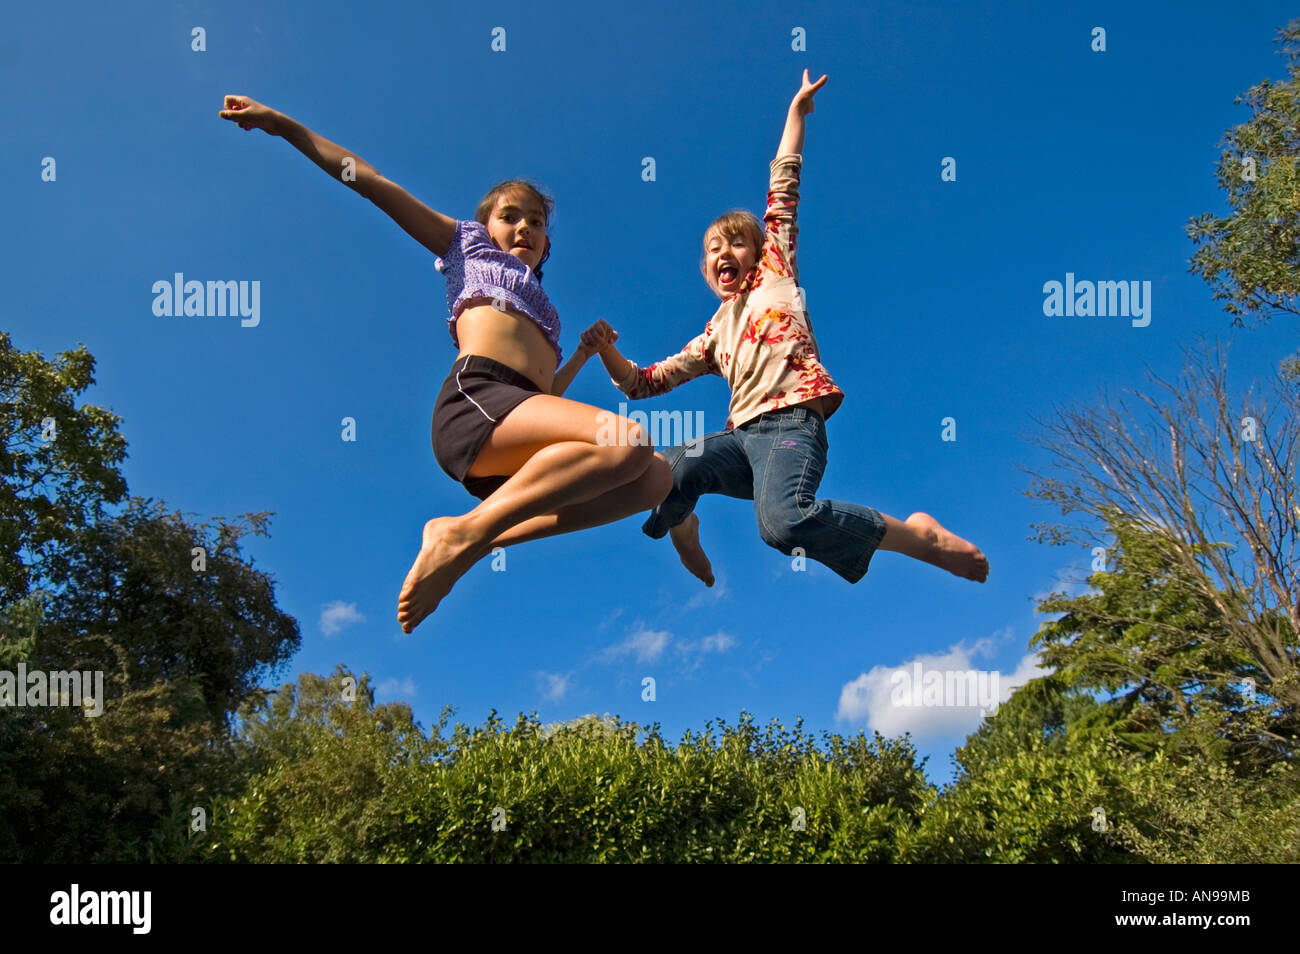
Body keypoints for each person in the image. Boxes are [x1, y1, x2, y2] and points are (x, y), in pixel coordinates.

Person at [218, 95, 672, 633]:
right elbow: (370, 179)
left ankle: (470, 537)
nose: (524, 227)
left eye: (536, 222)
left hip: (518, 414)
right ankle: (464, 535)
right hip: (476, 400)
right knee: (627, 441)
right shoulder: (467, 247)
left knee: (657, 479)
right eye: (511, 216)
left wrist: (582, 353)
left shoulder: (546, 313)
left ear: (547, 243)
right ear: (486, 225)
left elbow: (546, 393)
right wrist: (281, 125)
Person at [582, 71, 989, 587]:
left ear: (758, 251)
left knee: (783, 525)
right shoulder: (711, 335)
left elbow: (783, 186)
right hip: (742, 440)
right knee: (674, 464)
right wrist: (605, 353)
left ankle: (918, 537)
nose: (723, 253)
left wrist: (795, 115)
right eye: (713, 250)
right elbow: (643, 382)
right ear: (707, 271)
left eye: (735, 243)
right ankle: (684, 530)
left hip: (791, 427)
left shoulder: (775, 270)